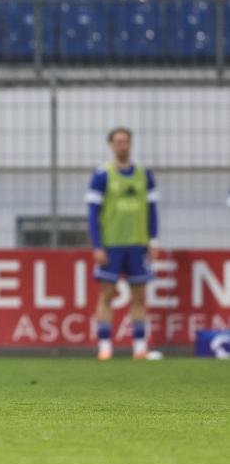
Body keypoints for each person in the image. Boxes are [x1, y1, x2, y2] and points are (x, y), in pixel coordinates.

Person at [86, 127, 159, 361]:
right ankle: (105, 347)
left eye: (126, 141)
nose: (122, 145)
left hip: (137, 243)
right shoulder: (102, 175)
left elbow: (153, 210)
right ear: (111, 145)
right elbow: (92, 213)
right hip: (112, 244)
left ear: (131, 144)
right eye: (118, 142)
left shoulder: (144, 175)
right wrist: (97, 245)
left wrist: (153, 239)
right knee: (106, 294)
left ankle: (139, 347)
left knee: (139, 295)